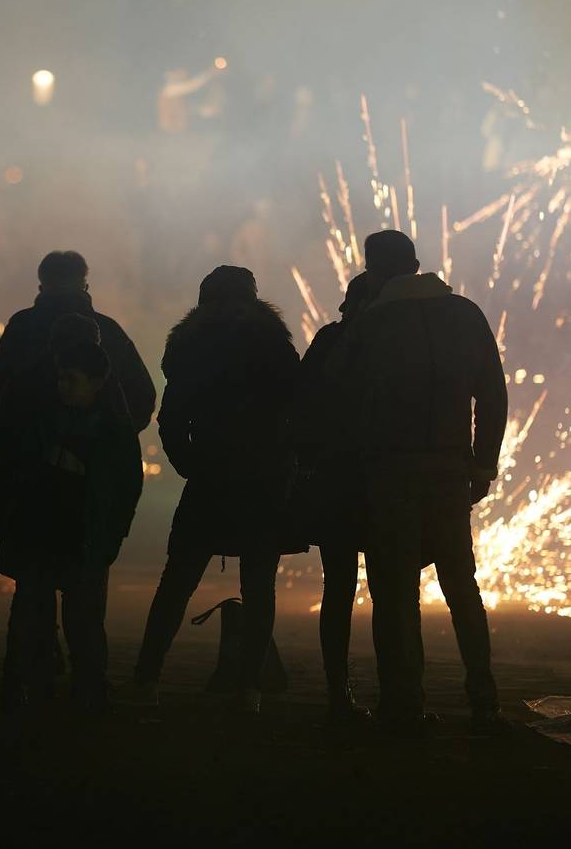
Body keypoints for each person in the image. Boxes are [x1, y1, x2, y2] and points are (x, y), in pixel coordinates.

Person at [330, 230, 508, 736]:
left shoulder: (373, 323)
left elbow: (338, 391)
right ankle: (484, 699)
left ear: (374, 272)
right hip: (451, 470)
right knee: (461, 585)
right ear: (417, 263)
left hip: (389, 472)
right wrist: (482, 464)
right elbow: (492, 395)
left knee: (394, 592)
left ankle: (403, 704)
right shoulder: (466, 314)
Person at [124, 266, 300, 712]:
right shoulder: (274, 345)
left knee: (176, 582)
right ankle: (249, 690)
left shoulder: (190, 347)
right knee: (259, 586)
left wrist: (191, 465)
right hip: (263, 481)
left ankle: (146, 678)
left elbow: (171, 419)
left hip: (211, 480)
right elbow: (298, 411)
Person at [0, 340, 143, 714]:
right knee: (60, 619)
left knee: (55, 619)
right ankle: (77, 691)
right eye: (62, 378)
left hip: (67, 535)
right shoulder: (111, 430)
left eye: (71, 379)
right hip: (58, 534)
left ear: (96, 381)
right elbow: (126, 492)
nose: (62, 386)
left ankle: (39, 687)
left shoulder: (89, 428)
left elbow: (124, 493)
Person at [292, 273, 371, 724]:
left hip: (334, 481)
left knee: (338, 587)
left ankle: (337, 691)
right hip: (375, 478)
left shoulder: (329, 340)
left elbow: (301, 402)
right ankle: (399, 695)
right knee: (389, 589)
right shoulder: (385, 342)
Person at [0, 250, 156, 433]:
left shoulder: (21, 328)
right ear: (85, 286)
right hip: (96, 458)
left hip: (26, 457)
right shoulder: (109, 331)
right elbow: (142, 400)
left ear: (42, 287)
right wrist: (109, 440)